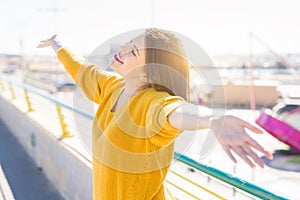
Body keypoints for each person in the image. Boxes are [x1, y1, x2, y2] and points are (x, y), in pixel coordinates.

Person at [37, 28, 273, 200]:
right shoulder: (112, 87)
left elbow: (173, 112)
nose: (122, 49)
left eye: (133, 51)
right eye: (128, 43)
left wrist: (212, 121)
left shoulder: (152, 102)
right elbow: (81, 69)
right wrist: (58, 44)